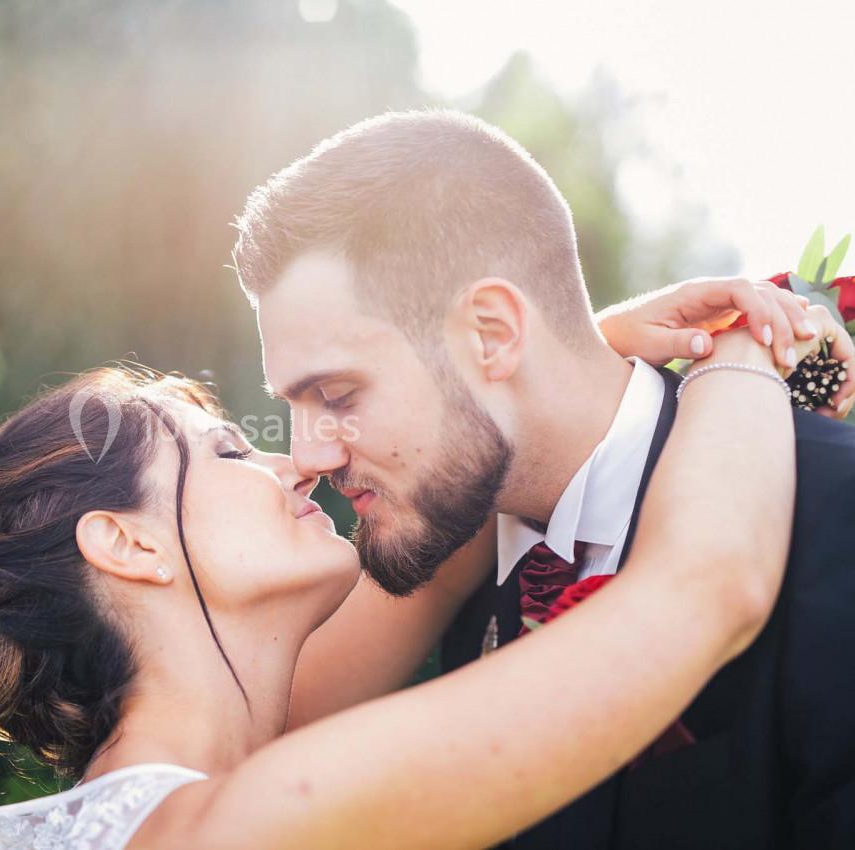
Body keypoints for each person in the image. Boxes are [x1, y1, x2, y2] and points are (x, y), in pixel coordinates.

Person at [0, 310, 825, 848]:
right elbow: (706, 588)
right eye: (227, 450)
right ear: (129, 546)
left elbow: (446, 506)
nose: (297, 464)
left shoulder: (200, 783)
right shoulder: (244, 822)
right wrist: (746, 348)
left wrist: (578, 343)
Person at [233, 109, 855, 848]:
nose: (309, 455)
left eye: (337, 397)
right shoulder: (464, 562)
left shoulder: (832, 511)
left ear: (493, 333)